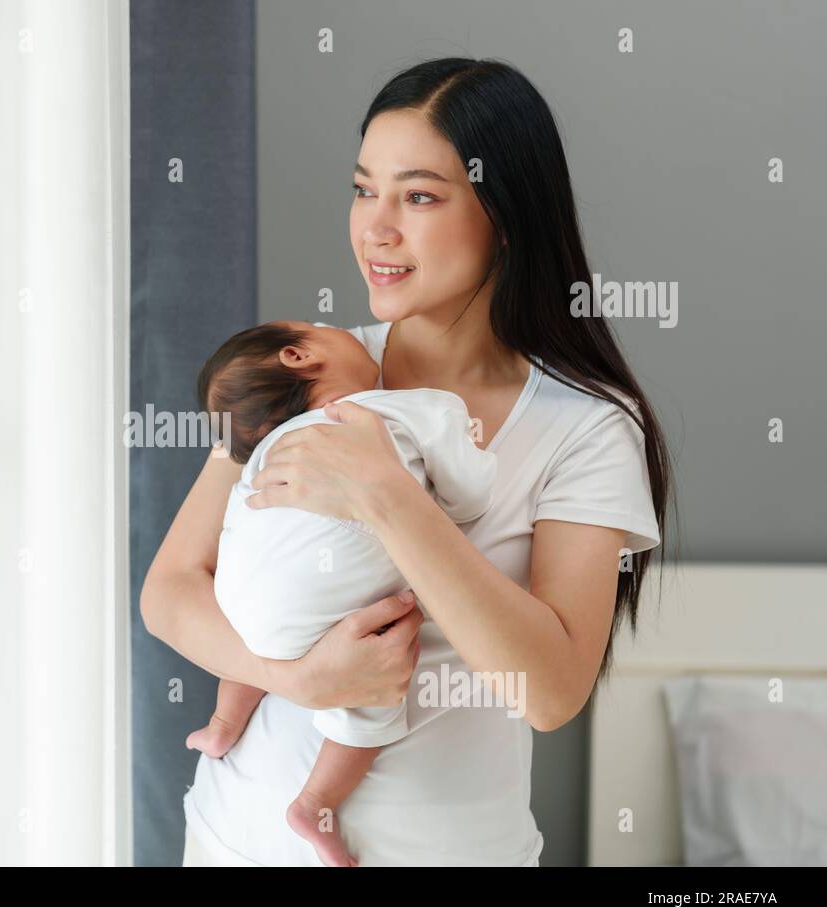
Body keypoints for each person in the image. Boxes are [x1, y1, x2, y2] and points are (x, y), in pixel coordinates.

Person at [140, 57, 672, 866]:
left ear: (505, 214)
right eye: (363, 190)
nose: (375, 228)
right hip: (236, 840)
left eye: (418, 196)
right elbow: (170, 590)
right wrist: (301, 678)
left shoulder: (586, 428)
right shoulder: (309, 376)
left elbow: (552, 691)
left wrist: (390, 495)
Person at [188, 319, 498, 866]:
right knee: (373, 678)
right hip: (321, 610)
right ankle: (315, 802)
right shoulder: (413, 409)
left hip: (239, 601)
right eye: (317, 327)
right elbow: (469, 498)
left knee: (264, 626)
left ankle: (221, 726)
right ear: (298, 354)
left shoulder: (270, 445)